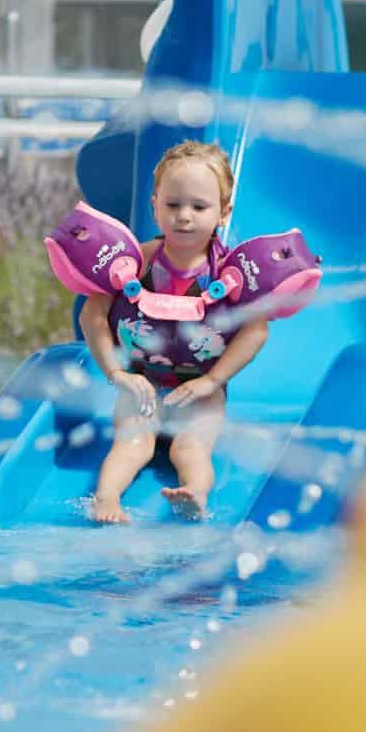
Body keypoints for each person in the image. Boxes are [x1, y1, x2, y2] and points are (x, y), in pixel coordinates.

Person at [79, 142, 270, 523]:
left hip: (198, 391)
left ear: (223, 212)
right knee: (132, 442)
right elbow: (92, 315)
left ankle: (193, 494)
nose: (184, 216)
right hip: (143, 386)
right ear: (155, 205)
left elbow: (256, 330)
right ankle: (106, 499)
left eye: (199, 207)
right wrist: (117, 373)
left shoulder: (230, 274)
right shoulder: (136, 261)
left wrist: (213, 381)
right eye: (173, 205)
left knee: (192, 447)